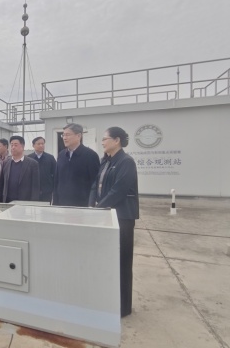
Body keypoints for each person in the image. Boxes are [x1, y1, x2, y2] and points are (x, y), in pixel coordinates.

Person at [89, 127, 139, 318]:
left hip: (122, 217)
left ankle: (123, 307)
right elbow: (95, 184)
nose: (102, 142)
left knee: (122, 262)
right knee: (108, 261)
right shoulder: (106, 161)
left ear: (116, 140)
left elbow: (119, 190)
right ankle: (108, 301)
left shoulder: (126, 162)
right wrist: (92, 204)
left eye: (105, 139)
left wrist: (99, 207)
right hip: (105, 214)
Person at [53, 123, 100, 207]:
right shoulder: (61, 155)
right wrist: (55, 203)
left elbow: (95, 183)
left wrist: (91, 205)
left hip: (82, 206)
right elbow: (57, 181)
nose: (64, 138)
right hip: (62, 205)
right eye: (63, 135)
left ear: (78, 136)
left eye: (67, 135)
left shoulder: (90, 155)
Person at [0, 135, 40, 203]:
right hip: (7, 202)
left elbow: (35, 188)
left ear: (23, 147)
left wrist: (33, 204)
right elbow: (1, 185)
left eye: (15, 145)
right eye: (11, 145)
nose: (13, 147)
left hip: (24, 203)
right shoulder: (6, 163)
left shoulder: (32, 164)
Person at [28, 136, 56, 203]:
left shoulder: (50, 158)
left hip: (47, 190)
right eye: (39, 144)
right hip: (32, 191)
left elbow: (55, 173)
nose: (41, 145)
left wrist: (53, 188)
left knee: (46, 208)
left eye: (42, 144)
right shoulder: (29, 158)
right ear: (33, 145)